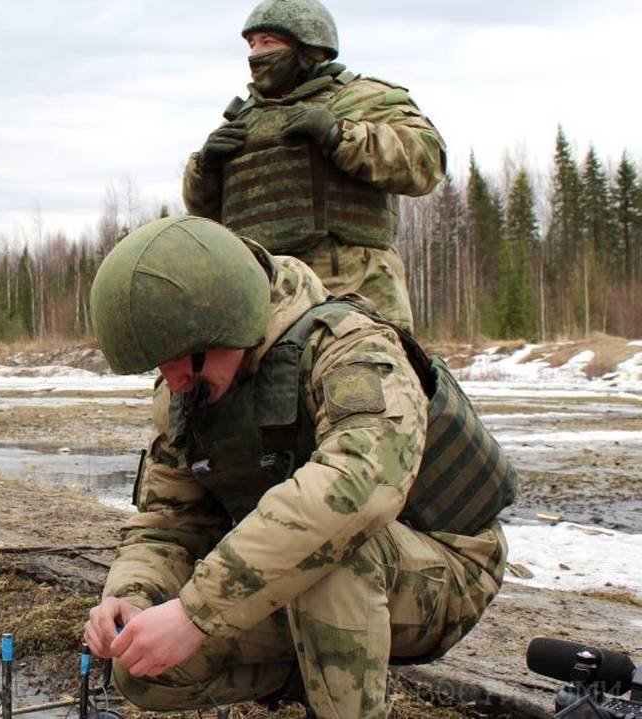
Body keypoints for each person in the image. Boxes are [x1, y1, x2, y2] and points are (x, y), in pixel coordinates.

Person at [84, 216, 515, 719]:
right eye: (159, 365)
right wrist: (132, 597)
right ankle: (318, 671)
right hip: (308, 580)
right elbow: (167, 524)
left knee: (330, 552)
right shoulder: (186, 392)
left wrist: (196, 612)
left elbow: (356, 490)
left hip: (444, 571)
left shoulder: (350, 347)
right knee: (143, 666)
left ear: (225, 323)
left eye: (179, 359)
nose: (171, 379)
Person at [182, 0, 446, 333]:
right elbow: (207, 218)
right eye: (251, 44)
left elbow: (428, 160)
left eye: (267, 42)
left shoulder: (363, 98)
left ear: (307, 45)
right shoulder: (242, 121)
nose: (255, 54)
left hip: (355, 296)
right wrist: (205, 168)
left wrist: (339, 135)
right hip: (263, 298)